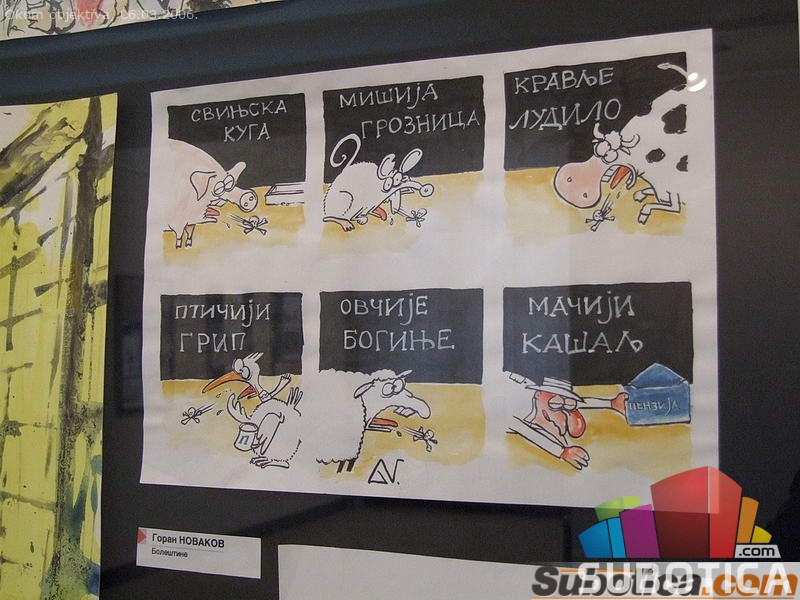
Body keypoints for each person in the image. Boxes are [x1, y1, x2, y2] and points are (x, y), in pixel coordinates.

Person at [508, 377, 591, 470]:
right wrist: (562, 452)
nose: (559, 407)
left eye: (565, 402)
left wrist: (573, 409)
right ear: (538, 394)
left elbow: (576, 426)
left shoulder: (560, 431)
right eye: (554, 401)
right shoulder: (521, 428)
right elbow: (518, 427)